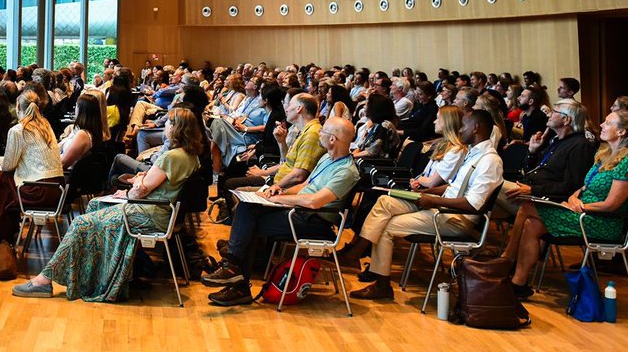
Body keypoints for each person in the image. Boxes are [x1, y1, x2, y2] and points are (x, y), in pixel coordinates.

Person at [11, 107, 203, 301]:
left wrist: (136, 183)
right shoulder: (191, 156)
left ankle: (44, 280)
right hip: (157, 211)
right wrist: (140, 181)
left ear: (177, 128)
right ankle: (96, 276)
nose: (166, 125)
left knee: (79, 223)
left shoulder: (171, 157)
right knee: (95, 204)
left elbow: (139, 191)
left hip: (148, 213)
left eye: (169, 122)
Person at [202, 118, 360, 305]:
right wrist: (279, 190)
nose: (319, 133)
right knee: (247, 207)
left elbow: (314, 201)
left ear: (332, 139)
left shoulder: (346, 171)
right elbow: (304, 187)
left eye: (323, 131)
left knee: (249, 223)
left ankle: (236, 277)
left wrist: (279, 199)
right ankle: (233, 269)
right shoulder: (327, 158)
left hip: (314, 221)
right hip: (300, 212)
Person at [349, 109, 503, 301]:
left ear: (476, 128)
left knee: (386, 226)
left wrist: (433, 200)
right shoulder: (474, 153)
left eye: (464, 125)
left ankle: (380, 282)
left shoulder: (490, 160)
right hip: (442, 207)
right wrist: (427, 193)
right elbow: (453, 187)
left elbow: (473, 204)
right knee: (385, 201)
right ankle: (360, 253)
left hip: (454, 218)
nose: (460, 129)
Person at [504, 110, 628, 298]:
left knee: (527, 207)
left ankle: (506, 260)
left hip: (601, 222)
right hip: (581, 214)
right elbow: (582, 188)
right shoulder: (605, 155)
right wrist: (573, 199)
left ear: (622, 132)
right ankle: (518, 283)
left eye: (607, 123)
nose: (601, 125)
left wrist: (579, 207)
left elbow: (611, 205)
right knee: (532, 224)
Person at [0, 88, 63, 249]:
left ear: (18, 107)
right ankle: (0, 235)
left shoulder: (18, 130)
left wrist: (1, 162)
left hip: (37, 190)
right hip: (56, 189)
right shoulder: (45, 125)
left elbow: (9, 166)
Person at [499, 99, 595, 214]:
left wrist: (532, 190)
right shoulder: (556, 140)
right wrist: (532, 152)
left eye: (554, 112)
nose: (549, 115)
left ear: (566, 119)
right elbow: (531, 171)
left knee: (492, 187)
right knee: (489, 201)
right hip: (529, 190)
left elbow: (571, 186)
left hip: (546, 200)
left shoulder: (581, 146)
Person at [58, 91, 105, 170]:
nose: (75, 109)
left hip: (65, 174)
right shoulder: (89, 131)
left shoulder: (82, 134)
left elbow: (63, 163)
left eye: (76, 106)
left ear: (81, 110)